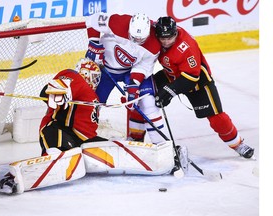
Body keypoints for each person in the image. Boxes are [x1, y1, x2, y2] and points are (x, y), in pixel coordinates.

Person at [0, 58, 107, 193]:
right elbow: (46, 91)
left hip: (81, 139)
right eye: (94, 77)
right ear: (85, 73)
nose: (95, 82)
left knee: (107, 146)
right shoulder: (74, 76)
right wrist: (60, 91)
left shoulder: (93, 98)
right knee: (57, 155)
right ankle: (15, 177)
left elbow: (88, 130)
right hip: (58, 129)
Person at [153, 16, 254, 159]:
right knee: (144, 93)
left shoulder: (186, 46)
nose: (165, 42)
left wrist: (169, 92)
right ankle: (135, 138)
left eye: (169, 38)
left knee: (217, 118)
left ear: (175, 33)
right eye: (162, 38)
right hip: (170, 75)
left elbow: (191, 77)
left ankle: (238, 144)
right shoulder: (156, 33)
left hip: (197, 83)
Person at [84, 12, 166, 144]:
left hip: (130, 71)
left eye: (140, 39)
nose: (136, 41)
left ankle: (160, 145)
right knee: (91, 104)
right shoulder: (117, 22)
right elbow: (92, 19)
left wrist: (134, 83)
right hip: (104, 69)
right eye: (133, 37)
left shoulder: (154, 45)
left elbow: (143, 66)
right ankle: (84, 138)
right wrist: (93, 43)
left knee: (147, 103)